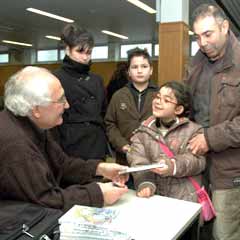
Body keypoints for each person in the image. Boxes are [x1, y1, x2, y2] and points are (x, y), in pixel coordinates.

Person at [0, 66, 128, 211]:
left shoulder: (31, 124)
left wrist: (100, 169)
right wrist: (98, 194)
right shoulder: (16, 146)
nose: (67, 105)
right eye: (60, 100)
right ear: (36, 110)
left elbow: (61, 164)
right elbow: (45, 199)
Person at [185, 4, 240, 240]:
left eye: (208, 34)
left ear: (225, 27)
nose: (202, 43)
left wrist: (209, 138)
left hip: (229, 169)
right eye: (197, 36)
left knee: (224, 234)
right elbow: (188, 105)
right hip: (197, 165)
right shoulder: (196, 62)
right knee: (201, 231)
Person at [127, 81, 206, 203]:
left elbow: (198, 161)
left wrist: (173, 165)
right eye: (158, 97)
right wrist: (145, 183)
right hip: (156, 197)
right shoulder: (143, 131)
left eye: (166, 100)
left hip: (184, 198)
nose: (158, 101)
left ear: (178, 109)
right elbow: (138, 161)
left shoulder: (194, 130)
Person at [52, 24, 107, 160]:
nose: (85, 57)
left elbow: (103, 113)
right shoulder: (55, 79)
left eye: (88, 53)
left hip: (96, 146)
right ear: (67, 50)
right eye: (80, 51)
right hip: (69, 147)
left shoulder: (97, 80)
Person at [105, 48, 158, 166]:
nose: (139, 71)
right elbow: (110, 124)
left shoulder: (159, 95)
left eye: (144, 66)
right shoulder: (118, 96)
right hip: (125, 159)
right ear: (128, 71)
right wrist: (122, 145)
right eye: (134, 67)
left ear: (151, 70)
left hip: (154, 157)